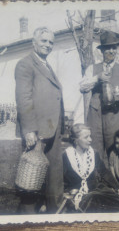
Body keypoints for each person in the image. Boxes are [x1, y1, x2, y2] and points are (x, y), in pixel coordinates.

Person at [15, 27, 64, 213]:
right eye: (44, 41)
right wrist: (29, 130)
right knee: (31, 176)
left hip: (53, 127)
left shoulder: (46, 65)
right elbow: (24, 99)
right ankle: (26, 219)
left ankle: (55, 213)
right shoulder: (25, 64)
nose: (48, 45)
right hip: (36, 130)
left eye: (51, 42)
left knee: (54, 175)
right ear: (33, 43)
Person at [80, 31, 119, 167]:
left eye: (114, 48)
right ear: (102, 50)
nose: (111, 51)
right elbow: (82, 87)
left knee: (116, 146)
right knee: (95, 147)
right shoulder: (92, 68)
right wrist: (97, 78)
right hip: (95, 114)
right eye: (108, 48)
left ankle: (115, 182)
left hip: (115, 113)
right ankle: (97, 181)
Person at [62, 124, 119, 213]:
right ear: (76, 140)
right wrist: (65, 193)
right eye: (86, 137)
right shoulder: (66, 155)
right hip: (76, 194)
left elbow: (104, 172)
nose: (90, 140)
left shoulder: (93, 153)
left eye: (90, 136)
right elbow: (59, 179)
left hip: (95, 191)